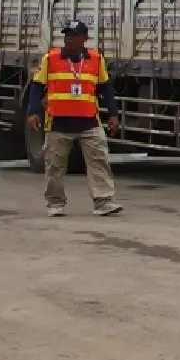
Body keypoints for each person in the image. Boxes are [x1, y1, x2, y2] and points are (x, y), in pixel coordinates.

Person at [25, 19, 122, 217]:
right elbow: (36, 86)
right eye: (67, 35)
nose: (69, 39)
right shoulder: (50, 58)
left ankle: (103, 201)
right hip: (58, 123)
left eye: (74, 36)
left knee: (99, 161)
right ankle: (55, 203)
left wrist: (113, 113)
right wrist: (33, 112)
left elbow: (105, 88)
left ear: (85, 38)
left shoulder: (96, 59)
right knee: (54, 165)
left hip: (89, 121)